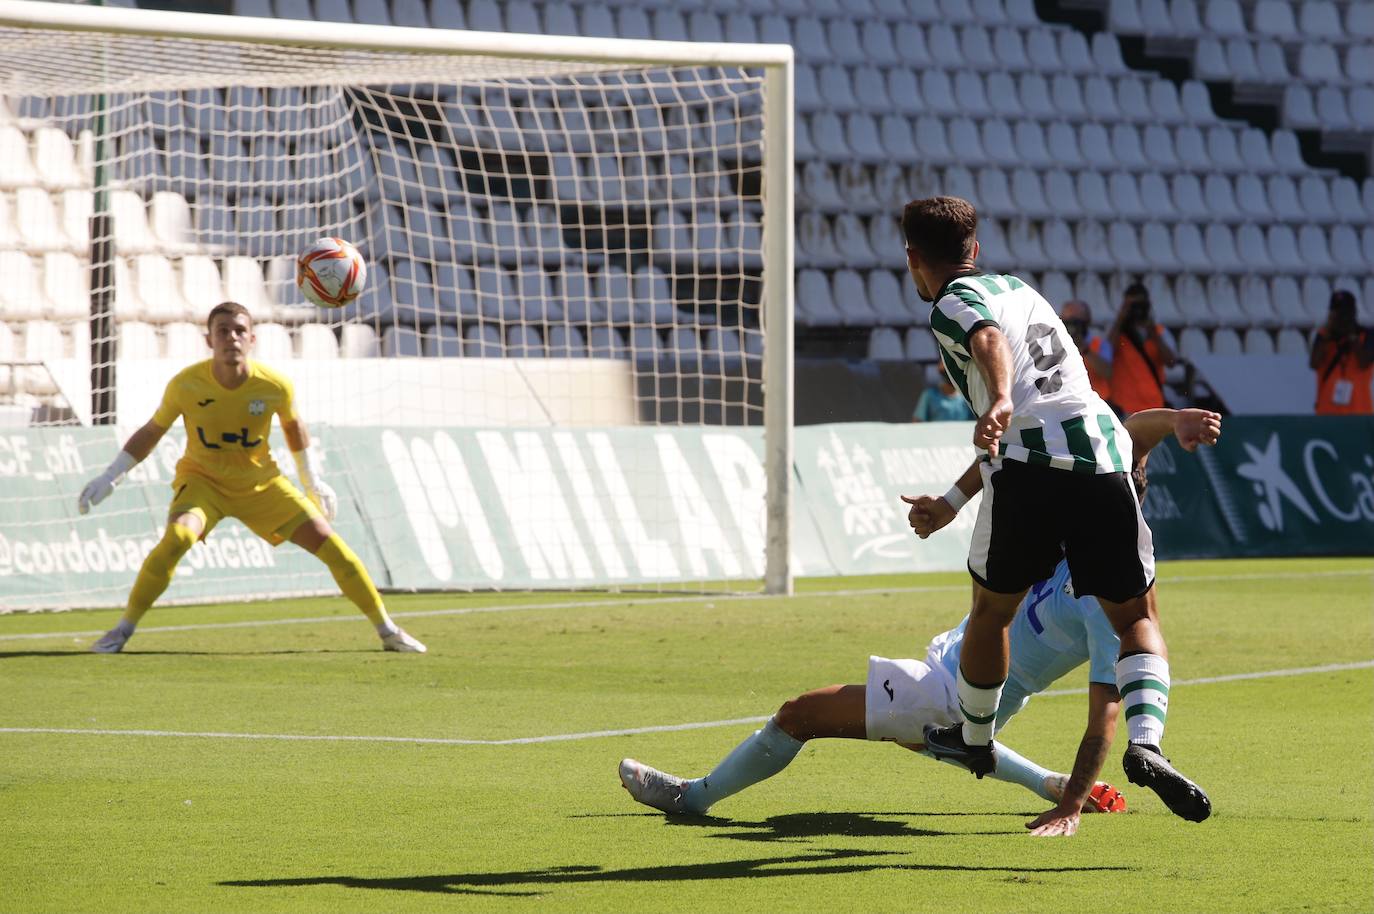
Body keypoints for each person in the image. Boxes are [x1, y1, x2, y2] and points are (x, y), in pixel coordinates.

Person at [618, 407, 1217, 838]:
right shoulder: (1088, 537)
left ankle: (691, 799)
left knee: (800, 714)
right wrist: (1177, 421)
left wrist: (1071, 804)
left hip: (954, 698)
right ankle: (1038, 778)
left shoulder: (1111, 605)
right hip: (956, 683)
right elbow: (1128, 430)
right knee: (931, 740)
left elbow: (1103, 718)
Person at [898, 197, 1209, 828]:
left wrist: (1001, 397)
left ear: (912, 261)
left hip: (1029, 469)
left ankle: (977, 737)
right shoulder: (1021, 289)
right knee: (1136, 618)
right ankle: (1146, 742)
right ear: (976, 249)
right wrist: (953, 501)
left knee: (991, 614)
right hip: (1102, 455)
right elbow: (1049, 406)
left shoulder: (951, 304)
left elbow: (987, 344)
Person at [77, 301, 426, 654]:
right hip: (204, 483)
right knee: (179, 537)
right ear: (209, 340)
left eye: (239, 330)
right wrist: (112, 475)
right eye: (223, 331)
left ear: (253, 338)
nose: (232, 337)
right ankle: (121, 631)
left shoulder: (274, 386)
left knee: (334, 547)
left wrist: (312, 481)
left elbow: (294, 428)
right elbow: (153, 430)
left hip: (261, 484)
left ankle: (388, 631)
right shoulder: (186, 385)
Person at [1106, 282, 1178, 416]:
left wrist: (1154, 335)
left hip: (1154, 406)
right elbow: (1106, 353)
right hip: (1124, 406)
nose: (1137, 311)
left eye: (1140, 306)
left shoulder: (1159, 332)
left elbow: (1172, 362)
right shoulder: (1118, 333)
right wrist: (1120, 320)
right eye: (1132, 306)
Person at [1310, 289, 1373, 415]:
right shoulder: (1324, 336)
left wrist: (1352, 335)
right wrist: (1328, 333)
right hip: (1327, 412)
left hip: (1359, 412)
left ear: (1354, 312)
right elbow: (1314, 363)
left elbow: (1364, 362)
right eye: (1338, 313)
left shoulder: (1367, 335)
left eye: (1346, 313)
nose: (1342, 318)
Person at [1060, 299, 1113, 405]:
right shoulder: (1055, 344)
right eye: (1068, 321)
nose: (1073, 327)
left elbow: (1107, 372)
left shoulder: (1100, 343)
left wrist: (1084, 349)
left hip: (1098, 403)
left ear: (1087, 321)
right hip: (1068, 404)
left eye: (1077, 321)